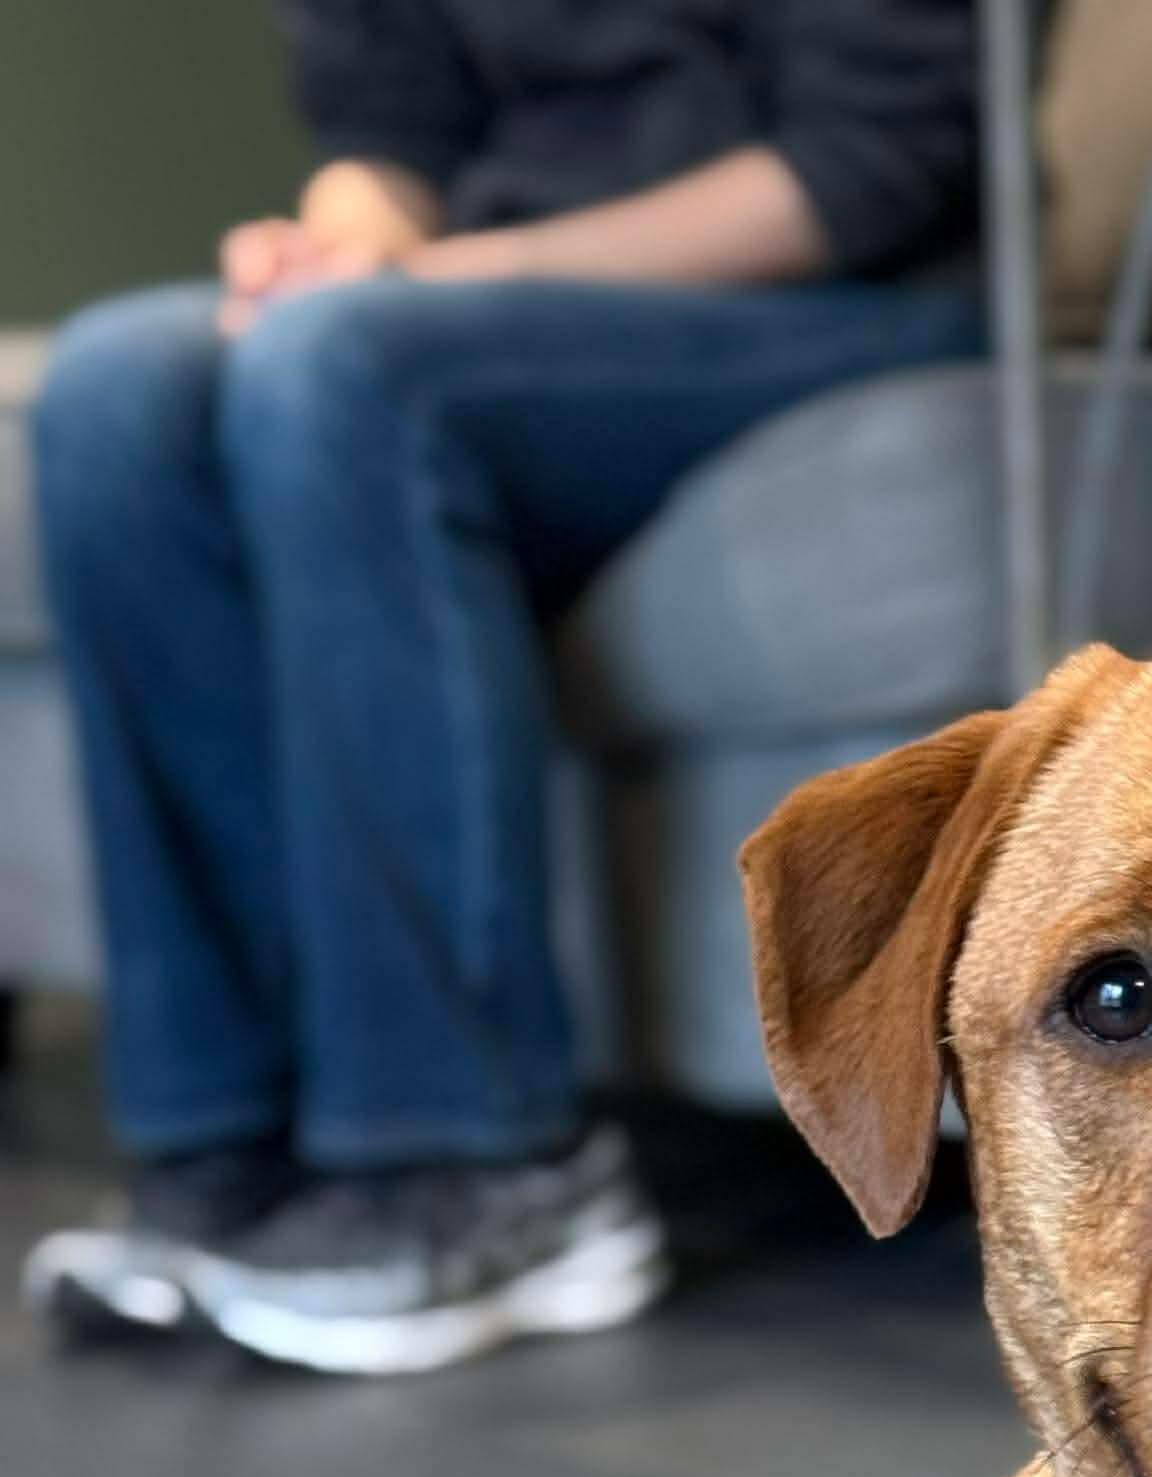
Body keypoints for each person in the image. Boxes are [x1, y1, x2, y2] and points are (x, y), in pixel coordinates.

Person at [24, 1, 988, 1374]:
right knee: (118, 387)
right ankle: (226, 1160)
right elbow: (386, 125)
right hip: (480, 292)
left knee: (339, 368)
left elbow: (868, 162)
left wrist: (447, 282)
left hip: (838, 292)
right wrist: (348, 244)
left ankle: (485, 1169)